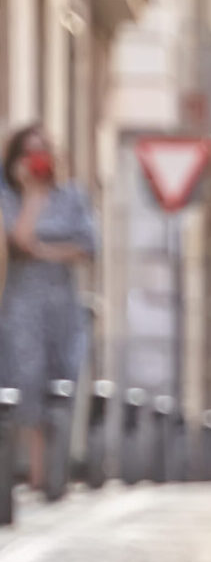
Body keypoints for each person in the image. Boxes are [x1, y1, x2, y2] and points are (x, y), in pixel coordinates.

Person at [0, 123, 97, 492]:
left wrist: (44, 251)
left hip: (64, 306)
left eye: (45, 150)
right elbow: (19, 240)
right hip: (22, 307)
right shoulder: (9, 198)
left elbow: (87, 247)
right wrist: (32, 195)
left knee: (63, 381)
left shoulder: (73, 197)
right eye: (30, 151)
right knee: (27, 383)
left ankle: (57, 466)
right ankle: (39, 474)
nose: (39, 159)